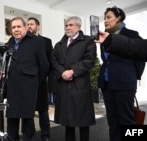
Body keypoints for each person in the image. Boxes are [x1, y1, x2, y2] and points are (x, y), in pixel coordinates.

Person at [97, 6, 145, 141]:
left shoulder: (131, 34)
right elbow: (106, 60)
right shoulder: (104, 37)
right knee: (112, 120)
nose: (105, 20)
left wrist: (132, 76)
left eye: (109, 17)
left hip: (125, 83)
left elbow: (141, 58)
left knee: (127, 120)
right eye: (105, 18)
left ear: (118, 18)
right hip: (107, 84)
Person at [51, 16, 96, 141]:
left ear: (79, 27)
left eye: (71, 25)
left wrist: (72, 71)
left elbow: (89, 60)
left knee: (83, 120)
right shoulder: (59, 44)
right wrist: (63, 72)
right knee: (68, 121)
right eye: (66, 25)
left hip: (80, 85)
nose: (68, 28)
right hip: (64, 86)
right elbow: (53, 60)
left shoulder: (88, 41)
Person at [6, 17, 49, 141]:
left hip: (28, 87)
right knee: (12, 120)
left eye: (19, 26)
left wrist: (35, 82)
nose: (16, 30)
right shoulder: (9, 43)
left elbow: (44, 66)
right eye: (13, 27)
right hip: (12, 87)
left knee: (28, 121)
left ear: (25, 28)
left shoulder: (37, 41)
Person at [27, 17, 52, 141]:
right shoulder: (24, 41)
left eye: (31, 24)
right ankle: (30, 136)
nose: (29, 26)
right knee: (28, 112)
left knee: (43, 111)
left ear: (38, 26)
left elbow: (49, 62)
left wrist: (43, 77)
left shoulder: (46, 41)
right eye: (27, 24)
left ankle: (45, 136)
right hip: (27, 81)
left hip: (41, 81)